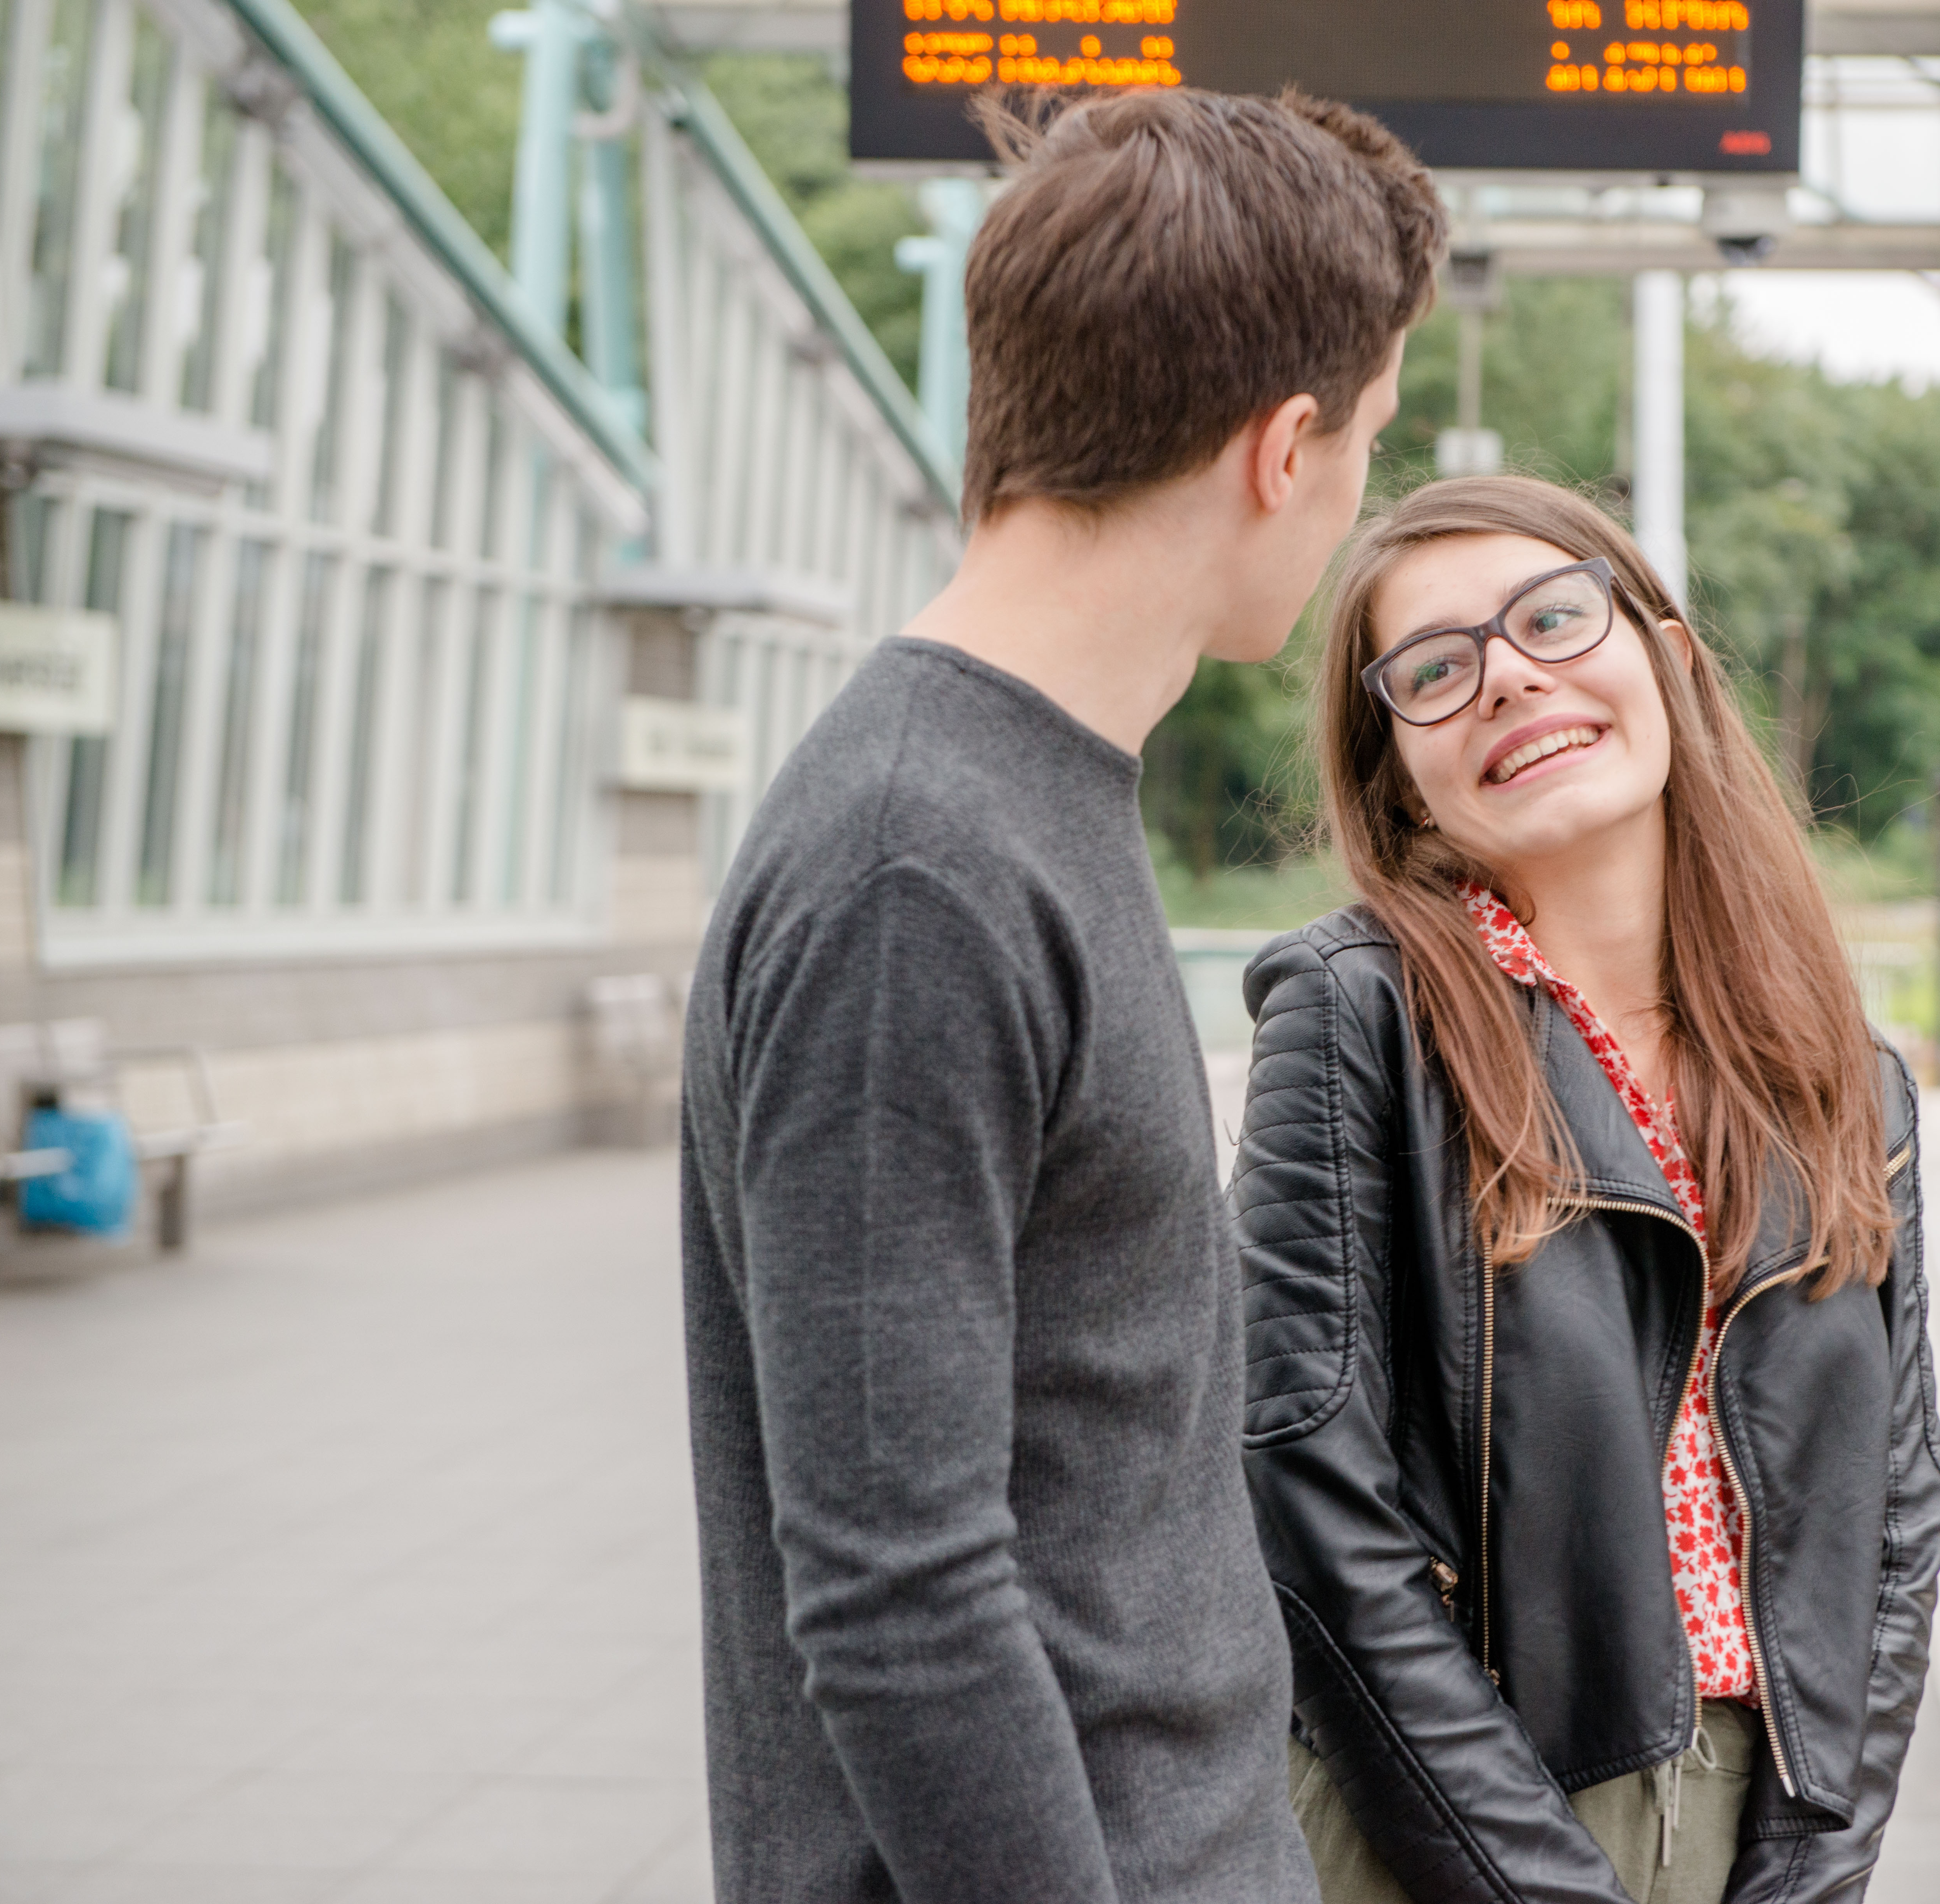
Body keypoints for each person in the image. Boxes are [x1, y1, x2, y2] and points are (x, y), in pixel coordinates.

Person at [680, 90, 1446, 1904]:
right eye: (1369, 448)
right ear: (1282, 449)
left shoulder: (1025, 795)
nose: (1351, 507)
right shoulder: (916, 868)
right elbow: (895, 1586)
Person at [1231, 475, 1940, 1904]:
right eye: (1436, 670)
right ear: (1399, 771)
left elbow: (1899, 1506)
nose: (1509, 675)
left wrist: (1819, 1861)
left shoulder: (1843, 1077)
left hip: (1765, 1814)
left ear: (1668, 664)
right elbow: (1311, 1500)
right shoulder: (1358, 1020)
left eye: (1556, 617)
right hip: (1444, 1828)